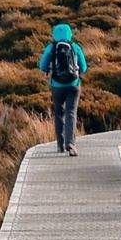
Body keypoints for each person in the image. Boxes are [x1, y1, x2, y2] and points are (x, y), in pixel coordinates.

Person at [39, 22, 87, 156]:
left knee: (59, 112)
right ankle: (70, 143)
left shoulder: (51, 47)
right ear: (69, 33)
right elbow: (83, 67)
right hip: (73, 84)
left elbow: (42, 66)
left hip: (56, 85)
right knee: (71, 112)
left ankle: (60, 145)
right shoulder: (75, 47)